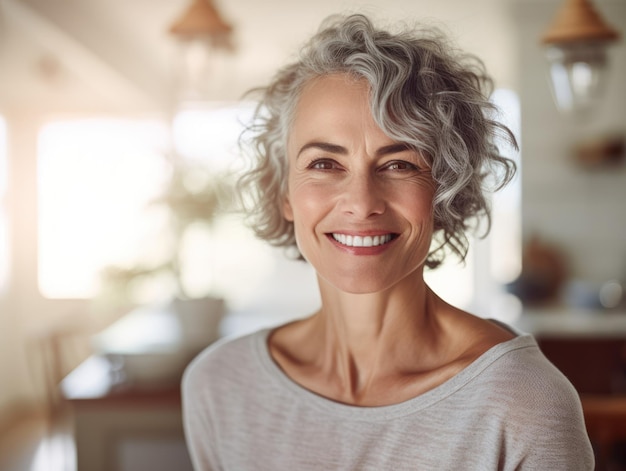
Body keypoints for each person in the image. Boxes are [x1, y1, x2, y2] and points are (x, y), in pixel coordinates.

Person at [182, 13, 594, 470]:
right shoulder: (219, 386)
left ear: (444, 189)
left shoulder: (524, 405)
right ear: (284, 193)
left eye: (399, 164)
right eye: (324, 164)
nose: (361, 203)